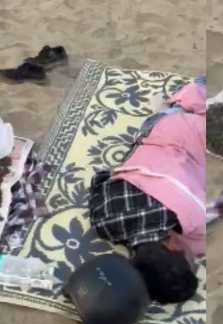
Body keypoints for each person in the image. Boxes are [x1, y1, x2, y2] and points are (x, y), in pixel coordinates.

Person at [88, 77, 206, 304]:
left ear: (172, 245)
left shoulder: (190, 217)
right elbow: (101, 177)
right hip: (152, 128)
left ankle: (190, 95)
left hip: (182, 131)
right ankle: (182, 100)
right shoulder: (105, 224)